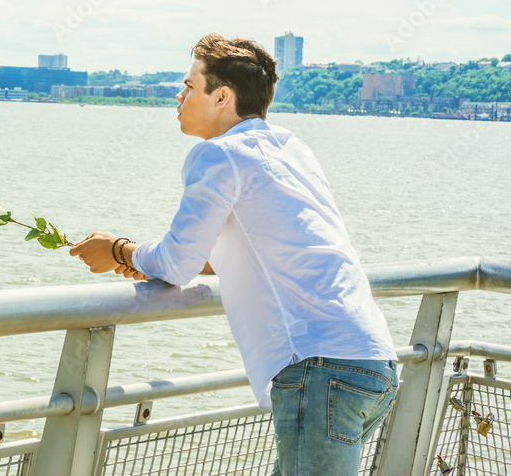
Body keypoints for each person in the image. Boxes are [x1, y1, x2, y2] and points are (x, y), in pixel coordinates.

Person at [69, 34, 397, 475]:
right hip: (372, 361)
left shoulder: (218, 155)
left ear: (222, 96)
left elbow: (179, 262)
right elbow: (249, 248)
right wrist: (139, 258)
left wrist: (116, 249)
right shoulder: (291, 148)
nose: (179, 95)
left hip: (319, 369)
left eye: (189, 85)